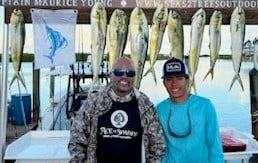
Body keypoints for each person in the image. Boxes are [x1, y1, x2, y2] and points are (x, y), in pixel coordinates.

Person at [68, 56, 166, 163]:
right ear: (111, 75)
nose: (124, 77)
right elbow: (77, 140)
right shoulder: (93, 103)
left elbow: (157, 145)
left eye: (130, 73)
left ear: (134, 77)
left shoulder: (145, 106)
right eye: (119, 72)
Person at [155, 57, 224, 163]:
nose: (174, 83)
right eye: (169, 79)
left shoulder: (205, 106)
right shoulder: (159, 110)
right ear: (164, 83)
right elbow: (158, 148)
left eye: (179, 78)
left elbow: (215, 146)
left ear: (187, 80)